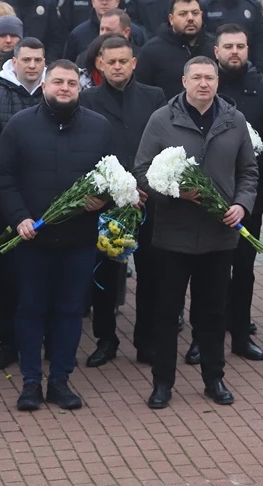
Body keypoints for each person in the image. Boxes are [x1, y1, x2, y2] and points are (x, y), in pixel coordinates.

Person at [134, 56, 257, 407]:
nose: (204, 84)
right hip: (173, 233)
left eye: (210, 78)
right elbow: (142, 171)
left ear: (218, 82)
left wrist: (241, 205)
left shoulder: (235, 121)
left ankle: (214, 378)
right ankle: (162, 383)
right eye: (197, 78)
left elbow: (249, 172)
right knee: (166, 312)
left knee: (213, 311)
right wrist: (175, 192)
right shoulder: (162, 119)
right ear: (184, 80)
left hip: (219, 235)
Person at [0, 61, 111, 412]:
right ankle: (30, 382)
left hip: (79, 238)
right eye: (57, 81)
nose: (64, 88)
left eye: (71, 83)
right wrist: (19, 218)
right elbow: (2, 175)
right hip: (32, 239)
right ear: (44, 86)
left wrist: (103, 199)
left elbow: (114, 172)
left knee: (70, 310)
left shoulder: (98, 127)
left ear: (80, 88)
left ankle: (60, 380)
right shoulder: (20, 125)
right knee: (30, 309)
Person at [192, 24, 263, 364]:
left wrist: (254, 150)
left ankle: (240, 335)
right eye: (228, 46)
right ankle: (202, 338)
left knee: (244, 269)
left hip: (247, 197)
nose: (235, 52)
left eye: (241, 46)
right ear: (216, 51)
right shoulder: (203, 87)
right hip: (205, 197)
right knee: (205, 272)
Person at [81, 36, 166, 367]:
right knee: (107, 275)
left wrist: (143, 186)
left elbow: (160, 145)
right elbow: (87, 150)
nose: (118, 67)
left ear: (134, 63)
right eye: (111, 61)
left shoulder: (154, 96)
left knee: (152, 275)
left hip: (149, 202)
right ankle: (105, 339)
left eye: (123, 61)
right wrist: (112, 190)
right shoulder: (87, 100)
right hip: (109, 202)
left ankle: (146, 341)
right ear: (100, 64)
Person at [0, 38, 46, 369]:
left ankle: (40, 339)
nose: (32, 66)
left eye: (38, 60)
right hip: (5, 198)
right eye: (26, 60)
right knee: (4, 276)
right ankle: (8, 343)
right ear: (14, 62)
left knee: (41, 276)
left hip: (47, 201)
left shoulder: (55, 90)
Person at [135, 0, 214, 99]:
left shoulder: (214, 47)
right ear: (171, 19)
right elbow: (141, 94)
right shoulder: (151, 51)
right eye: (183, 14)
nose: (190, 18)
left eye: (195, 13)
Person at [202, 0, 263, 73]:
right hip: (215, 67)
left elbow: (260, 39)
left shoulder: (251, 6)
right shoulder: (208, 5)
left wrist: (259, 68)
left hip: (246, 67)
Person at [62, 0, 126, 62]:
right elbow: (68, 64)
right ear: (93, 2)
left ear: (117, 2)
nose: (104, 2)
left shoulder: (131, 30)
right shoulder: (78, 34)